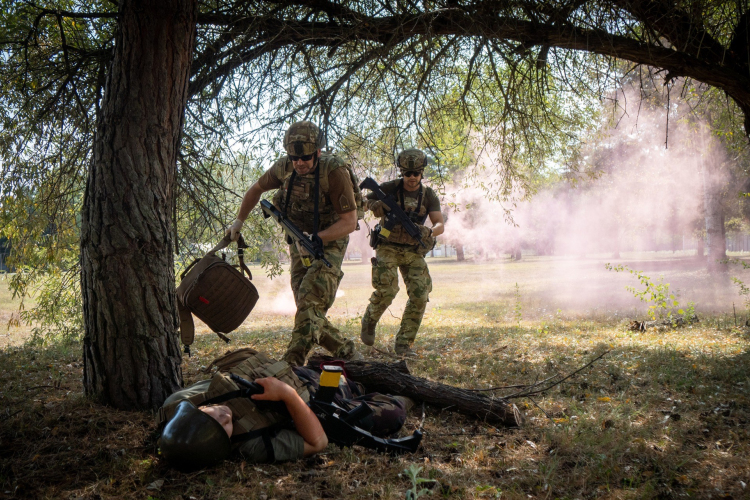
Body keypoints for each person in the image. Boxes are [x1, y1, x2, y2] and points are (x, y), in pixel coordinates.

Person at [227, 121, 361, 366]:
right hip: (298, 236)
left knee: (310, 302)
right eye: (294, 157)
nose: (299, 163)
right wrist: (239, 221)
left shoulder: (334, 171)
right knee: (306, 306)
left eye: (306, 158)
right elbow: (256, 189)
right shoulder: (284, 168)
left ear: (318, 152)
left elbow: (350, 222)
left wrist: (318, 238)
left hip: (329, 238)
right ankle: (348, 353)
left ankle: (291, 363)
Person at [157, 349, 410, 469]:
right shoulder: (251, 445)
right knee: (390, 413)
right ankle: (400, 391)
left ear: (199, 409)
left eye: (213, 416)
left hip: (293, 374)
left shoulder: (180, 404)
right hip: (314, 404)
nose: (225, 417)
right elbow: (318, 442)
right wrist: (286, 394)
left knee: (332, 373)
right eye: (225, 429)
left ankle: (343, 373)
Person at [361, 149, 445, 356]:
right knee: (388, 290)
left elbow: (440, 224)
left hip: (413, 250)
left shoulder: (428, 195)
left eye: (416, 173)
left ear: (422, 173)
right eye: (407, 173)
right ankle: (369, 320)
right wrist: (375, 205)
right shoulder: (390, 188)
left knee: (420, 294)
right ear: (401, 172)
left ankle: (404, 345)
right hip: (387, 246)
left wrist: (429, 232)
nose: (412, 177)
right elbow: (361, 202)